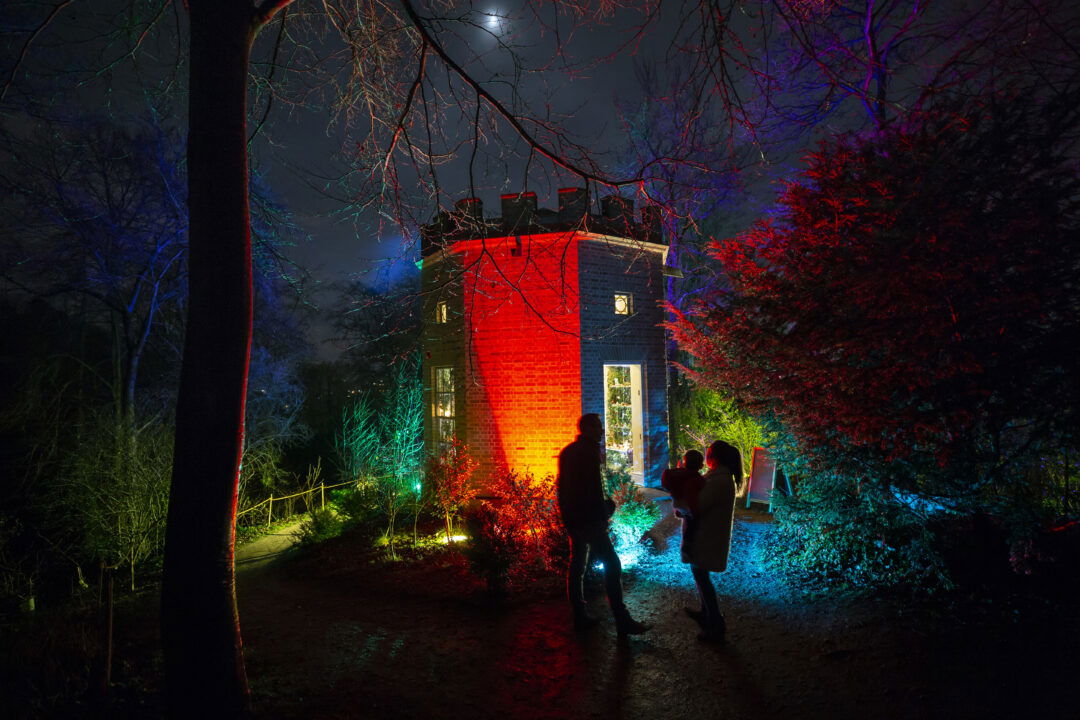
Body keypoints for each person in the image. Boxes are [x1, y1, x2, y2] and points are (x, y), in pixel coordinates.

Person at [557, 413, 649, 635]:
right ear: (587, 428)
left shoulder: (569, 451)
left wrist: (566, 516)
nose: (601, 431)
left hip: (575, 518)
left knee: (577, 565)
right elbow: (591, 489)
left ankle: (580, 614)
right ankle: (622, 619)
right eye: (598, 427)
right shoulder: (587, 453)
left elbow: (563, 488)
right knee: (612, 564)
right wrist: (603, 512)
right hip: (589, 520)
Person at [682, 440, 741, 644]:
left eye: (708, 453)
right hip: (708, 534)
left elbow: (698, 505)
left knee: (702, 576)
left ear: (714, 458)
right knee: (700, 574)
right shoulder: (719, 478)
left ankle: (715, 623)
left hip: (707, 535)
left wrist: (682, 504)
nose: (705, 456)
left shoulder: (718, 481)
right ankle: (706, 612)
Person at [661, 449, 706, 556]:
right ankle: (688, 546)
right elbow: (695, 496)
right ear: (700, 465)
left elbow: (665, 482)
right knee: (692, 525)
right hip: (689, 505)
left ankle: (687, 546)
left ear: (685, 462)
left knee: (688, 524)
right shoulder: (697, 479)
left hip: (678, 503)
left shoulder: (675, 474)